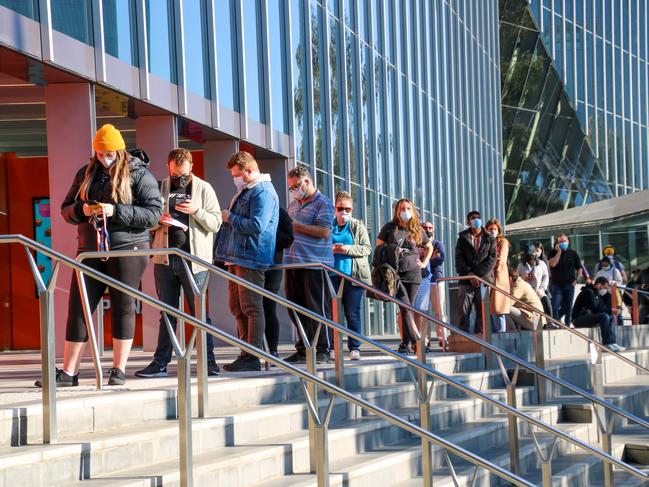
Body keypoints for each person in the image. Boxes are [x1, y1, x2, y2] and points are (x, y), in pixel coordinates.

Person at [37, 124, 162, 387]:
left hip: (127, 249)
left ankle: (119, 369)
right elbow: (65, 209)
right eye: (99, 152)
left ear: (119, 150)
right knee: (79, 309)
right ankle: (69, 373)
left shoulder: (139, 174)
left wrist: (115, 211)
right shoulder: (86, 173)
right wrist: (82, 210)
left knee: (123, 307)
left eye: (108, 152)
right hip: (89, 250)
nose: (103, 157)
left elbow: (152, 215)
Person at [136, 149, 222, 378]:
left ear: (191, 166)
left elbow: (216, 223)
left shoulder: (204, 188)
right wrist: (157, 220)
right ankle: (160, 363)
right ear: (168, 168)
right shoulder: (159, 186)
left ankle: (208, 362)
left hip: (195, 261)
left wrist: (197, 211)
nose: (179, 180)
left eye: (182, 175)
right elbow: (146, 222)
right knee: (167, 312)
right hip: (165, 258)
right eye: (175, 175)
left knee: (199, 313)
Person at [214, 151, 279, 372]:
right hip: (236, 256)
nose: (235, 179)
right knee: (237, 307)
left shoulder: (263, 192)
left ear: (249, 171)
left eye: (237, 174)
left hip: (251, 257)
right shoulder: (248, 190)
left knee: (251, 307)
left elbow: (258, 225)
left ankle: (253, 355)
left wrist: (229, 217)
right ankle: (246, 353)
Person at [283, 166, 335, 364]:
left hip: (314, 264)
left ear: (307, 182)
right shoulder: (293, 205)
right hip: (292, 263)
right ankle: (304, 348)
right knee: (295, 307)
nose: (294, 190)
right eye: (291, 188)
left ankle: (322, 348)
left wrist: (297, 226)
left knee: (316, 307)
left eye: (296, 186)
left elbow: (324, 232)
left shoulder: (323, 203)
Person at [376, 199, 433, 354]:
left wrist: (424, 262)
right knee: (405, 307)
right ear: (397, 210)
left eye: (408, 208)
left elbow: (429, 246)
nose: (405, 211)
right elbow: (378, 247)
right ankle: (417, 342)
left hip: (414, 274)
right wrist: (393, 249)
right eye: (402, 208)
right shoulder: (390, 228)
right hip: (395, 274)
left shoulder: (417, 229)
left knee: (408, 308)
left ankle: (406, 344)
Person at [329, 191, 372, 360]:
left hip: (353, 276)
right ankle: (333, 347)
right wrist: (331, 249)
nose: (344, 212)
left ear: (352, 209)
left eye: (348, 209)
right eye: (340, 208)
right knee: (332, 313)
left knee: (352, 313)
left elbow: (366, 248)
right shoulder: (328, 225)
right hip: (332, 274)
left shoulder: (357, 226)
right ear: (335, 208)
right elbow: (321, 245)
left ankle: (354, 348)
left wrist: (347, 249)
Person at [454, 211, 497, 335]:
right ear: (468, 222)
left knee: (482, 310)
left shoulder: (490, 238)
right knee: (463, 310)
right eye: (473, 218)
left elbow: (492, 259)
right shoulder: (462, 239)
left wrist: (476, 276)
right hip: (466, 280)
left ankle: (480, 336)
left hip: (483, 280)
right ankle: (464, 336)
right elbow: (459, 260)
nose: (476, 220)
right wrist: (470, 275)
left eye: (478, 217)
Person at [263, 207, 294, 358]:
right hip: (249, 265)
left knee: (268, 308)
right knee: (248, 311)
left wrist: (268, 228)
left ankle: (273, 351)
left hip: (272, 267)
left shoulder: (280, 213)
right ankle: (250, 352)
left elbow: (288, 240)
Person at [415, 222, 446, 351]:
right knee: (423, 312)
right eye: (425, 227)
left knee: (439, 311)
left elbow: (440, 258)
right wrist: (426, 255)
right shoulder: (417, 244)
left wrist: (427, 256)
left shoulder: (438, 244)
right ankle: (425, 340)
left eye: (430, 228)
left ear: (434, 230)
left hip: (436, 280)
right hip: (423, 280)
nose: (427, 229)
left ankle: (442, 339)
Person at [572, 276, 625, 352]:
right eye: (605, 287)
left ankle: (612, 342)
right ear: (599, 284)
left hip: (587, 316)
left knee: (610, 316)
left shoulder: (596, 294)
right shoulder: (588, 292)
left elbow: (601, 308)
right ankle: (606, 344)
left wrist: (611, 311)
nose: (605, 289)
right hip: (578, 319)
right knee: (604, 316)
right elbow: (595, 309)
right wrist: (611, 311)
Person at [547, 233, 583, 326]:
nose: (563, 243)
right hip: (557, 285)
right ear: (557, 243)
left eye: (564, 241)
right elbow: (552, 264)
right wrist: (558, 252)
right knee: (555, 305)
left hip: (569, 284)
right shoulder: (552, 252)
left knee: (568, 306)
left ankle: (567, 324)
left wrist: (577, 280)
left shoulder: (573, 253)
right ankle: (556, 322)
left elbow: (579, 268)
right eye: (560, 241)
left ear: (568, 241)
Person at [485, 218, 510, 333]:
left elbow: (501, 259)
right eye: (490, 229)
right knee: (488, 309)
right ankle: (493, 336)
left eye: (495, 229)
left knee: (498, 309)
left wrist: (488, 261)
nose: (493, 231)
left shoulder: (503, 242)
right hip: (487, 278)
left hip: (498, 277)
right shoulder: (484, 242)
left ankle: (501, 335)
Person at [517, 251, 552, 318]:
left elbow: (545, 276)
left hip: (538, 290)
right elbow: (517, 278)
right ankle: (535, 326)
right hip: (527, 292)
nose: (532, 261)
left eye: (534, 259)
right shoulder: (521, 265)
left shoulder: (541, 263)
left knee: (545, 301)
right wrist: (524, 277)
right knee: (534, 308)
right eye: (530, 259)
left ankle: (549, 321)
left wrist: (542, 288)